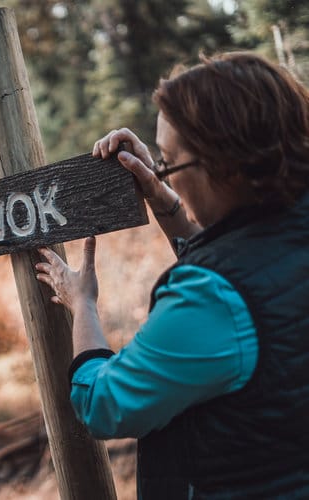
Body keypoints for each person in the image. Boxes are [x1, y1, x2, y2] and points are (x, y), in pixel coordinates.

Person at [35, 52, 309, 498]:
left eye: (169, 162)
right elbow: (250, 264)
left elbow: (104, 405)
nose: (165, 175)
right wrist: (163, 198)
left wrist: (81, 305)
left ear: (225, 164)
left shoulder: (212, 298)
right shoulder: (286, 227)